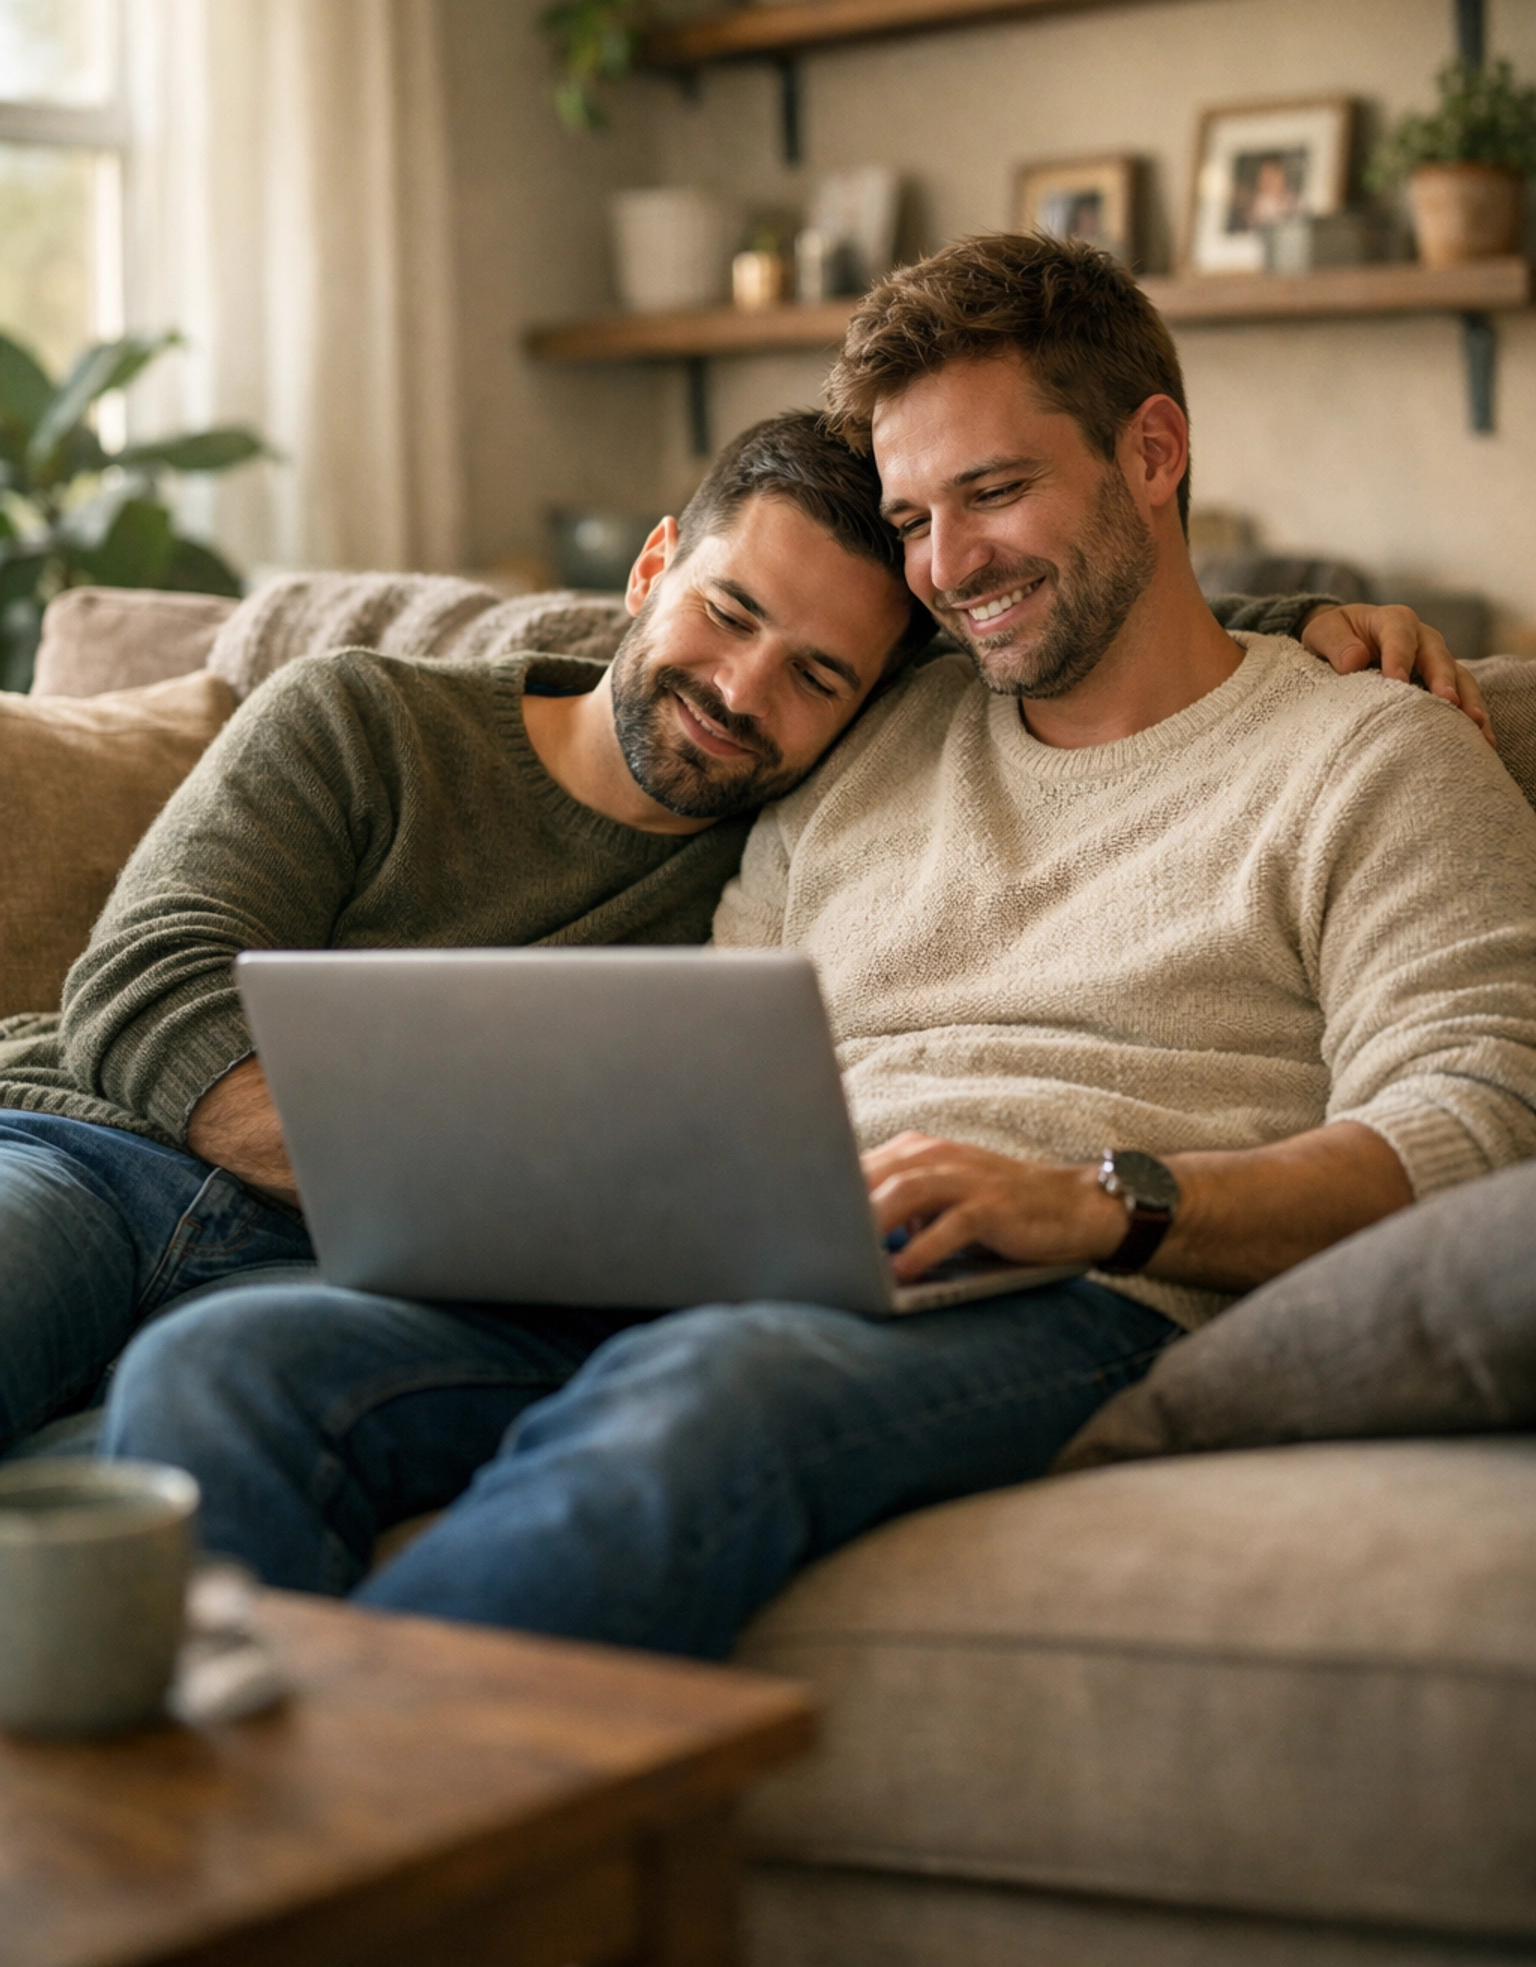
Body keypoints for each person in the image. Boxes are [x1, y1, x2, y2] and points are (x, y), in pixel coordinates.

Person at [99, 235, 1536, 1660]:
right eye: (914, 518)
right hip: (748, 1259)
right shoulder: (871, 727)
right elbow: (715, 1037)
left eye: (996, 493)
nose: (950, 567)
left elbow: (1478, 1127)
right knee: (223, 1364)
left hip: (1060, 1294)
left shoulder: (1375, 758)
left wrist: (1107, 1203)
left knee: (710, 1393)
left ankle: (334, 1847)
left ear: (1153, 452)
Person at [2, 403, 1416, 1458]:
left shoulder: (799, 833)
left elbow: (1081, 634)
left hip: (344, 1283)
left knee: (231, 1385)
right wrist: (421, 1182)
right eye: (727, 613)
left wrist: (1304, 625)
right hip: (88, 1153)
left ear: (871, 703)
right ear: (652, 566)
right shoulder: (363, 716)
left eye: (814, 675)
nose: (741, 693)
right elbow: (141, 986)